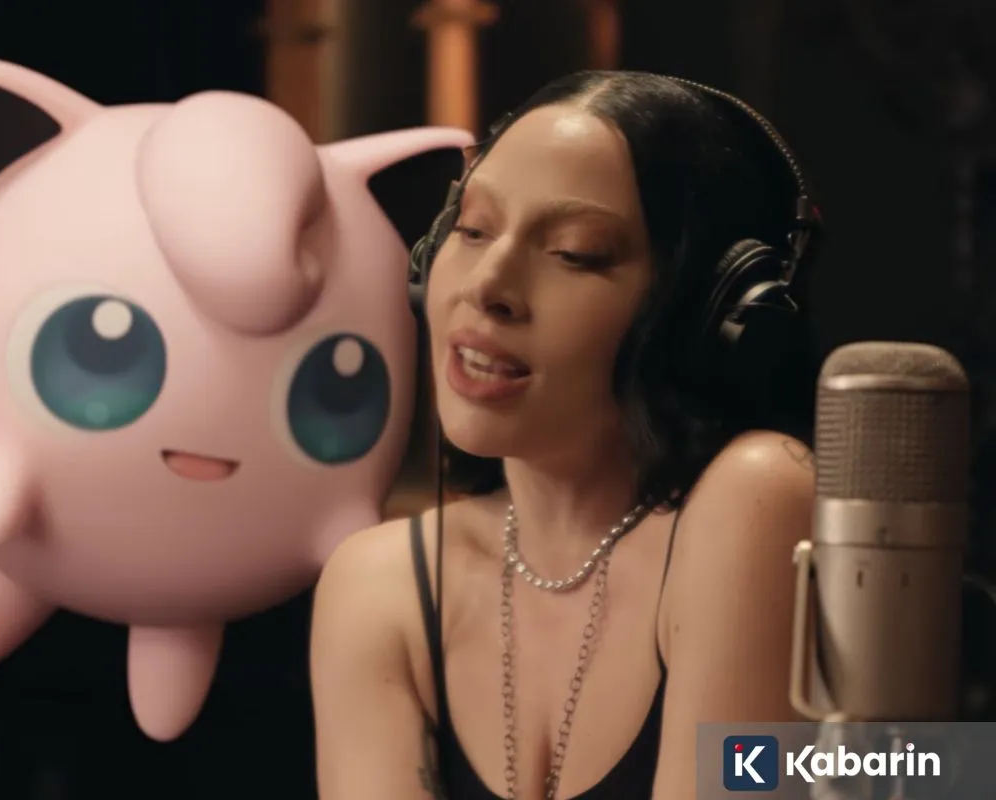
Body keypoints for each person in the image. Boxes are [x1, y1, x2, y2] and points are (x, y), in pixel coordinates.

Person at [310, 70, 820, 800]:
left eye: (575, 252)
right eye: (473, 229)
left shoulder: (758, 496)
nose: (486, 286)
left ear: (710, 315)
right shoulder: (378, 585)